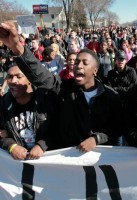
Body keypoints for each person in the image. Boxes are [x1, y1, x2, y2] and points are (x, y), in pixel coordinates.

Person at [0, 21, 123, 152]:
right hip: (68, 160)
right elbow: (39, 73)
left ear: (95, 70)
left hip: (101, 159)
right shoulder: (63, 88)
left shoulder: (110, 96)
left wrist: (96, 138)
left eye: (84, 63)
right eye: (76, 62)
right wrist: (16, 46)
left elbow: (117, 127)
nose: (78, 66)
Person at [0, 63, 58, 160]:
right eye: (9, 77)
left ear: (30, 80)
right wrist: (11, 146)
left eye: (19, 77)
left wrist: (42, 145)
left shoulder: (46, 99)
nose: (13, 81)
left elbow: (59, 129)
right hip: (18, 166)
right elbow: (1, 134)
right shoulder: (3, 103)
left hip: (48, 163)